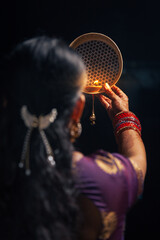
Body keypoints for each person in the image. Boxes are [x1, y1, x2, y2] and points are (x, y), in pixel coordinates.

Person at [0, 36, 146, 240]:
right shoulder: (103, 180)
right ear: (77, 109)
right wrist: (124, 118)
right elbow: (138, 165)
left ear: (7, 102)